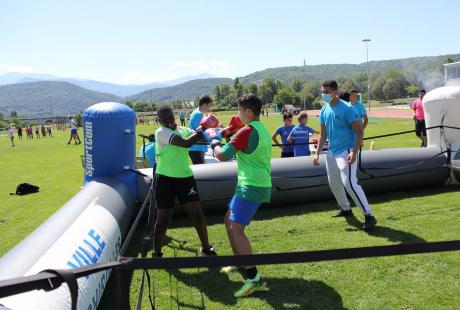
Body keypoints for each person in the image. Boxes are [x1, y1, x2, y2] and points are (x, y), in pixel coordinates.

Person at [209, 93, 271, 297]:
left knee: (236, 228)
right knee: (228, 221)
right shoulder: (261, 128)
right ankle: (240, 262)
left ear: (247, 111)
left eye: (239, 110)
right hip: (251, 182)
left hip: (251, 185)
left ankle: (254, 278)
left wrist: (214, 139)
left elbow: (221, 156)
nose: (237, 114)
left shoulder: (246, 131)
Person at [152, 105, 216, 257]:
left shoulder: (181, 129)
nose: (168, 120)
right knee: (163, 218)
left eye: (170, 117)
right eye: (164, 118)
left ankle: (206, 248)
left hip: (185, 178)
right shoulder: (161, 132)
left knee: (197, 214)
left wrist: (214, 129)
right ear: (159, 120)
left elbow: (195, 135)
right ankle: (157, 254)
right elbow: (186, 143)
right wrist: (203, 128)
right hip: (165, 179)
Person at [313, 80, 377, 230]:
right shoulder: (324, 111)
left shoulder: (347, 108)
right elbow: (323, 135)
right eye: (322, 91)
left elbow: (359, 131)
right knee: (334, 182)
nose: (324, 94)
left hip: (346, 150)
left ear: (335, 92)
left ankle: (369, 216)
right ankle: (345, 208)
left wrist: (354, 151)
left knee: (349, 183)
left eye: (327, 92)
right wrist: (316, 154)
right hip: (331, 152)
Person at [189, 95, 212, 164]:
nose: (209, 108)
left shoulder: (195, 112)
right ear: (205, 104)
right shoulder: (198, 114)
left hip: (196, 147)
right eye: (209, 105)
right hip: (197, 147)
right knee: (200, 172)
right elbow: (200, 132)